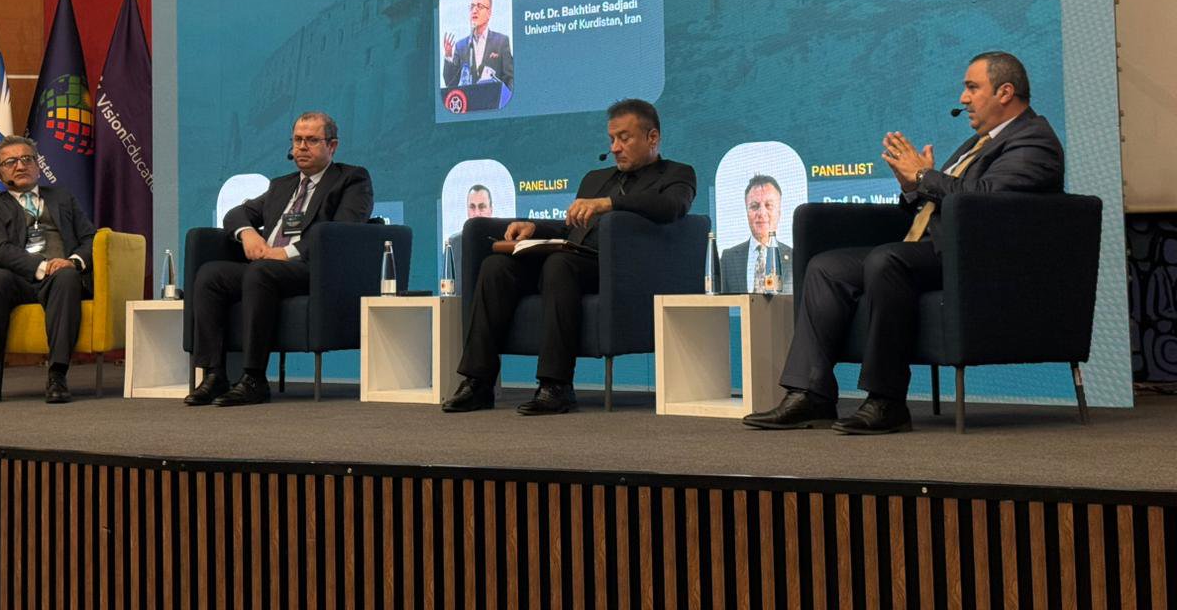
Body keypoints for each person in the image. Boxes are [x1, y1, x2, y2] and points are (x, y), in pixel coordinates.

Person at [743, 52, 1064, 435]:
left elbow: (983, 200)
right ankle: (811, 394)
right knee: (826, 267)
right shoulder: (977, 144)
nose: (963, 98)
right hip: (940, 249)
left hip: (981, 259)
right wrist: (913, 186)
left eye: (972, 87)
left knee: (887, 261)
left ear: (1005, 92)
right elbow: (943, 200)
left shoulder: (1034, 141)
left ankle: (887, 401)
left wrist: (925, 176)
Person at [443, 99, 696, 415]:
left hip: (619, 271)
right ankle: (478, 383)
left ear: (652, 137)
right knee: (497, 266)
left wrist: (609, 204)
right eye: (611, 139)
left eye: (624, 138)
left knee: (559, 264)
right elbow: (570, 228)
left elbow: (673, 207)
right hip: (569, 259)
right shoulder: (596, 179)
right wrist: (534, 227)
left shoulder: (677, 174)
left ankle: (556, 386)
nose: (615, 148)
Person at [186, 111, 374, 407]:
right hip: (267, 268)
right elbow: (237, 214)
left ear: (332, 146)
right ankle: (214, 374)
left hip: (314, 270)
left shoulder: (351, 179)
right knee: (210, 275)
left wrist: (285, 253)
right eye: (297, 140)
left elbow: (342, 230)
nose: (302, 147)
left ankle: (254, 379)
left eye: (311, 140)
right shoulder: (281, 186)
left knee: (260, 272)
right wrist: (248, 233)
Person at [0, 135, 97, 405]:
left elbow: (90, 239)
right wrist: (42, 266)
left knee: (68, 276)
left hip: (60, 277)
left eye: (26, 159)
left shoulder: (63, 198)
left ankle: (57, 375)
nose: (20, 166)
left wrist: (73, 261)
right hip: (15, 278)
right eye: (10, 162)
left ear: (38, 166)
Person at [720, 174, 793, 294]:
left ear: (779, 213)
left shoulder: (794, 259)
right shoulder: (728, 258)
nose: (761, 213)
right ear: (746, 212)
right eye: (754, 206)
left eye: (769, 205)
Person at [442, 0, 514, 89]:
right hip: (469, 99)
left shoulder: (501, 42)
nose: (474, 10)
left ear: (489, 13)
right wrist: (448, 56)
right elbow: (450, 83)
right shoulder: (461, 46)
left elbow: (510, 79)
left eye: (479, 6)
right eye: (472, 6)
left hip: (494, 99)